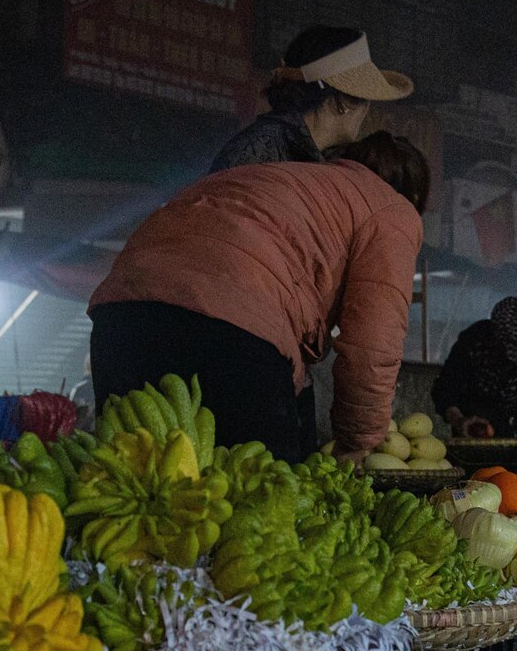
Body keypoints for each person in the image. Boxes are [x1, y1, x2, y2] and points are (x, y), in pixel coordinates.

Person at [87, 131, 430, 464]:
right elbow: (372, 342)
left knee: (129, 484)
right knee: (259, 497)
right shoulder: (393, 210)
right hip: (231, 322)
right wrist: (357, 444)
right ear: (412, 197)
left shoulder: (281, 179)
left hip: (122, 311)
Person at [209, 28, 413, 172]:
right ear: (343, 102)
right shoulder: (259, 152)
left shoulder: (313, 156)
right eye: (365, 99)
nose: (366, 111)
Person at [430, 296, 517, 436]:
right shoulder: (473, 344)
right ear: (497, 337)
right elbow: (446, 390)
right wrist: (460, 420)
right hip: (477, 439)